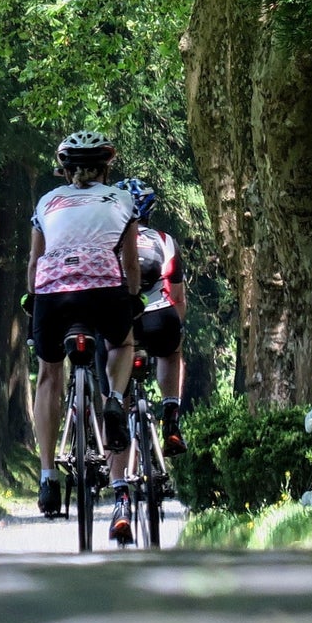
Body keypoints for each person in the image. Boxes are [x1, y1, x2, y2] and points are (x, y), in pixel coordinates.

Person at [28, 130, 141, 545]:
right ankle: (112, 399)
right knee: (121, 344)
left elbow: (34, 260)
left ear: (64, 169)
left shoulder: (46, 202)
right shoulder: (122, 201)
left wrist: (33, 299)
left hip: (53, 293)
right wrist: (130, 302)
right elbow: (129, 266)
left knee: (47, 374)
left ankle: (46, 476)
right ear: (106, 168)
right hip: (103, 290)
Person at [120, 178, 188, 457]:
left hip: (120, 319)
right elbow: (178, 297)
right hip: (159, 317)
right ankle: (170, 415)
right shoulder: (164, 240)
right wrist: (176, 328)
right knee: (172, 351)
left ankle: (115, 424)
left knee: (111, 368)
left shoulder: (108, 239)